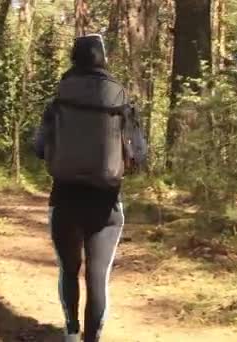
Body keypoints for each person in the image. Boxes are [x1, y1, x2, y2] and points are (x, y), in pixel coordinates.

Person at [33, 34, 147, 342]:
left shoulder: (59, 98)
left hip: (65, 197)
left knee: (68, 271)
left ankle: (71, 334)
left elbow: (39, 146)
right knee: (98, 278)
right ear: (103, 58)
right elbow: (140, 154)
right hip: (106, 202)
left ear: (73, 58)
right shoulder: (120, 97)